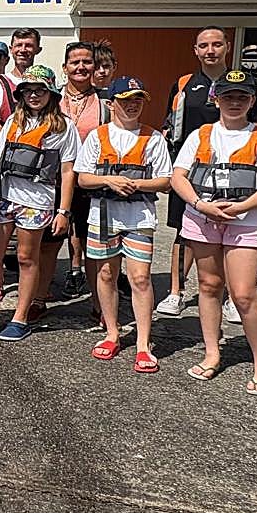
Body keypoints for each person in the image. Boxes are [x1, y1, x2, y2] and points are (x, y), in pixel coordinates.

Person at [171, 69, 257, 396]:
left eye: (241, 97)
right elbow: (178, 176)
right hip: (202, 218)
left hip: (246, 221)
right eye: (227, 96)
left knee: (244, 294)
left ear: (252, 100)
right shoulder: (201, 134)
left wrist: (242, 207)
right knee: (208, 286)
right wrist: (200, 205)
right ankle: (212, 352)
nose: (234, 102)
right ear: (216, 99)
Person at [75, 77, 172, 372]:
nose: (133, 105)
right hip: (103, 215)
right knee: (106, 274)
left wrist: (136, 184)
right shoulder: (97, 136)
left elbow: (165, 181)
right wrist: (109, 180)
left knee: (140, 278)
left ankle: (143, 343)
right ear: (111, 104)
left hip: (139, 217)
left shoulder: (153, 138)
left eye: (138, 99)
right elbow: (83, 178)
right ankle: (112, 333)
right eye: (126, 100)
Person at [0, 66, 79, 342]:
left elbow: (67, 172)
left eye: (40, 90)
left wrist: (63, 211)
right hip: (4, 198)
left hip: (37, 202)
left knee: (27, 257)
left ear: (51, 94)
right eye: (28, 91)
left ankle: (20, 317)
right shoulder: (13, 122)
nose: (34, 95)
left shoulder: (64, 127)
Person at [157, 26, 232, 320]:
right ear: (196, 50)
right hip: (189, 171)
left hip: (231, 172)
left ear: (227, 47)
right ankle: (176, 292)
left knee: (230, 233)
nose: (210, 50)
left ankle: (228, 297)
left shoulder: (240, 83)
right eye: (204, 45)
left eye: (216, 44)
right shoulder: (184, 84)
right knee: (183, 232)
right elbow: (170, 127)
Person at [45, 42, 109, 306]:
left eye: (87, 62)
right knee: (49, 242)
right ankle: (39, 297)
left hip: (88, 180)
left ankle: (98, 303)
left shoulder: (106, 103)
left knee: (91, 241)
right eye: (75, 62)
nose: (81, 67)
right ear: (65, 67)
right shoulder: (51, 99)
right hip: (53, 179)